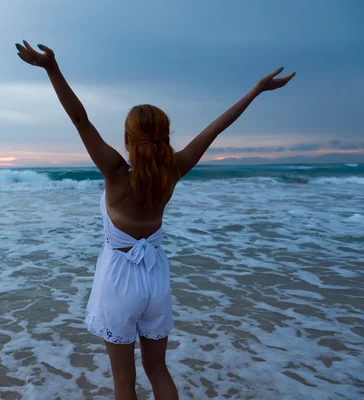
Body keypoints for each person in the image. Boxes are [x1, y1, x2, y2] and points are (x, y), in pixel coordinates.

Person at [15, 40, 295, 400]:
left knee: (122, 377)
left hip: (119, 279)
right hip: (156, 279)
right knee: (158, 368)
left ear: (128, 139)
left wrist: (51, 69)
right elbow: (215, 129)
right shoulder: (174, 170)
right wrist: (256, 90)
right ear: (165, 137)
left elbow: (80, 118)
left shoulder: (116, 172)